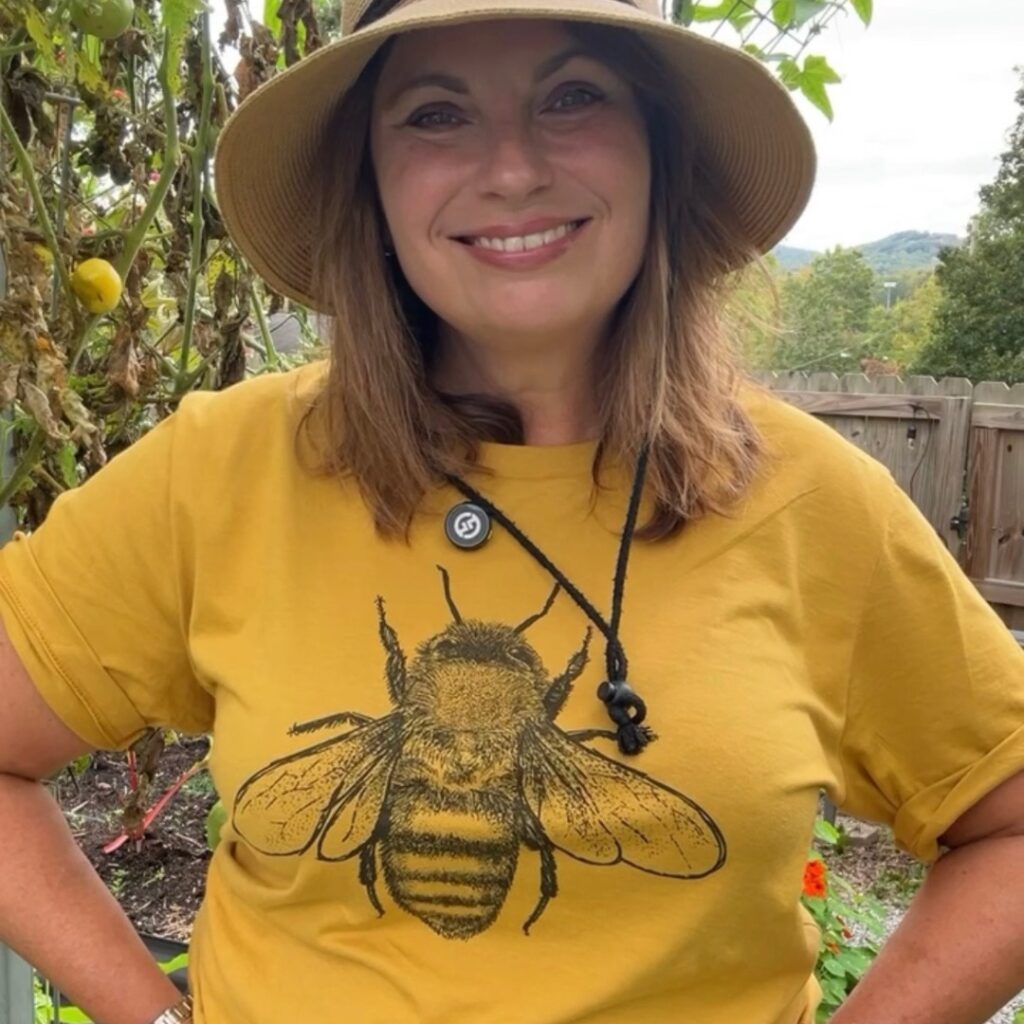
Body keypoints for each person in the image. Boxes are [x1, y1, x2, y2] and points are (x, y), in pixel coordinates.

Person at [0, 0, 1022, 1021]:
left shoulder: (816, 505)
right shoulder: (216, 472)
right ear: (370, 178)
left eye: (573, 96)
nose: (512, 168)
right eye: (435, 114)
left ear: (658, 146)